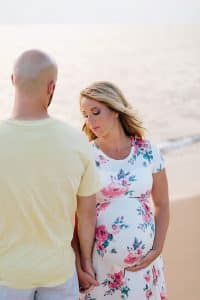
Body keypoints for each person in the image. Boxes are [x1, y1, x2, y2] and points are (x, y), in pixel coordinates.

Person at [0, 49, 100, 300]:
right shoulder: (77, 142)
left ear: (13, 80)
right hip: (59, 272)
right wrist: (85, 263)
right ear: (52, 86)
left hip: (7, 275)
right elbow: (86, 215)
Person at [77, 81, 170, 299]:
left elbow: (163, 204)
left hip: (146, 268)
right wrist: (85, 263)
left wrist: (157, 249)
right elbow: (85, 215)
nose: (90, 121)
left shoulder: (148, 151)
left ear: (116, 110)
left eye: (95, 112)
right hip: (103, 271)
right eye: (85, 115)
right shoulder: (87, 156)